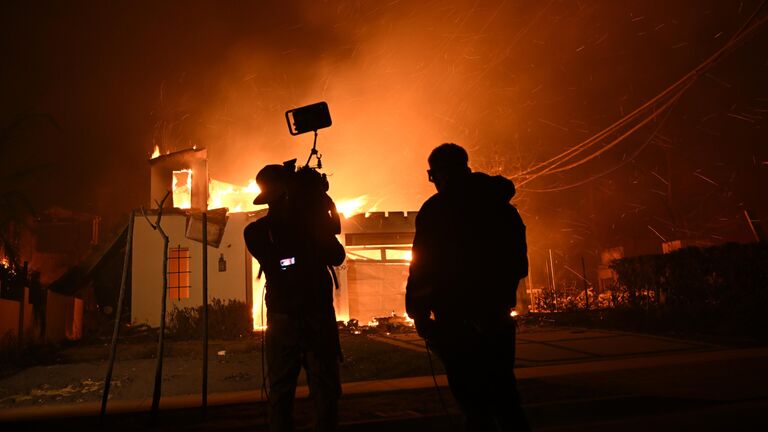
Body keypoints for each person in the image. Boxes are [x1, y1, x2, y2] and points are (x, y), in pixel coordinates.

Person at [406, 143, 530, 431]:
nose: (433, 181)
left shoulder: (436, 212)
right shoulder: (501, 207)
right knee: (505, 397)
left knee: (473, 404)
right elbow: (519, 264)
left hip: (454, 321)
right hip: (496, 317)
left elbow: (422, 267)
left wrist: (419, 313)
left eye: (432, 174)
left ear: (440, 173)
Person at [244, 163, 346, 432]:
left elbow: (336, 255)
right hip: (313, 317)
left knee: (281, 392)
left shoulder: (257, 232)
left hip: (286, 319)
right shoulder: (262, 232)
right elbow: (335, 255)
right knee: (324, 390)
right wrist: (314, 215)